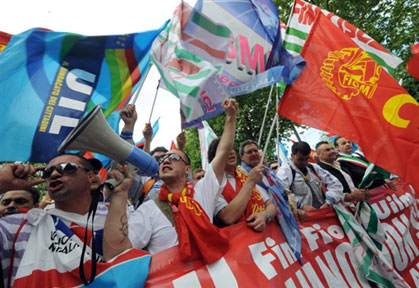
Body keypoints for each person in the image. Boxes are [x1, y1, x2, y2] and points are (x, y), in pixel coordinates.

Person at [118, 99, 239, 264]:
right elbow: (123, 252)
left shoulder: (203, 192)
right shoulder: (148, 209)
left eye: (174, 157)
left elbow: (223, 152)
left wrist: (231, 118)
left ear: (187, 169)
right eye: (163, 159)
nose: (166, 161)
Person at [0, 155, 134, 287]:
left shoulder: (118, 215)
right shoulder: (20, 224)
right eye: (48, 171)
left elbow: (124, 264)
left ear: (90, 176)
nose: (54, 174)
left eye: (66, 168)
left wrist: (120, 195)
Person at [207, 124, 276, 231]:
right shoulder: (211, 183)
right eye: (224, 150)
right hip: (236, 242)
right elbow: (228, 217)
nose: (230, 152)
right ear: (214, 158)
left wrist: (264, 215)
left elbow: (270, 205)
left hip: (263, 240)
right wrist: (251, 182)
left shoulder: (245, 176)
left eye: (231, 148)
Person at [277, 141, 344, 209]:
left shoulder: (314, 167)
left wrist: (329, 201)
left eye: (307, 159)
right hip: (304, 216)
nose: (304, 162)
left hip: (325, 211)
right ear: (292, 156)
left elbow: (335, 184)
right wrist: (301, 206)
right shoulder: (285, 171)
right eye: (300, 159)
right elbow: (282, 192)